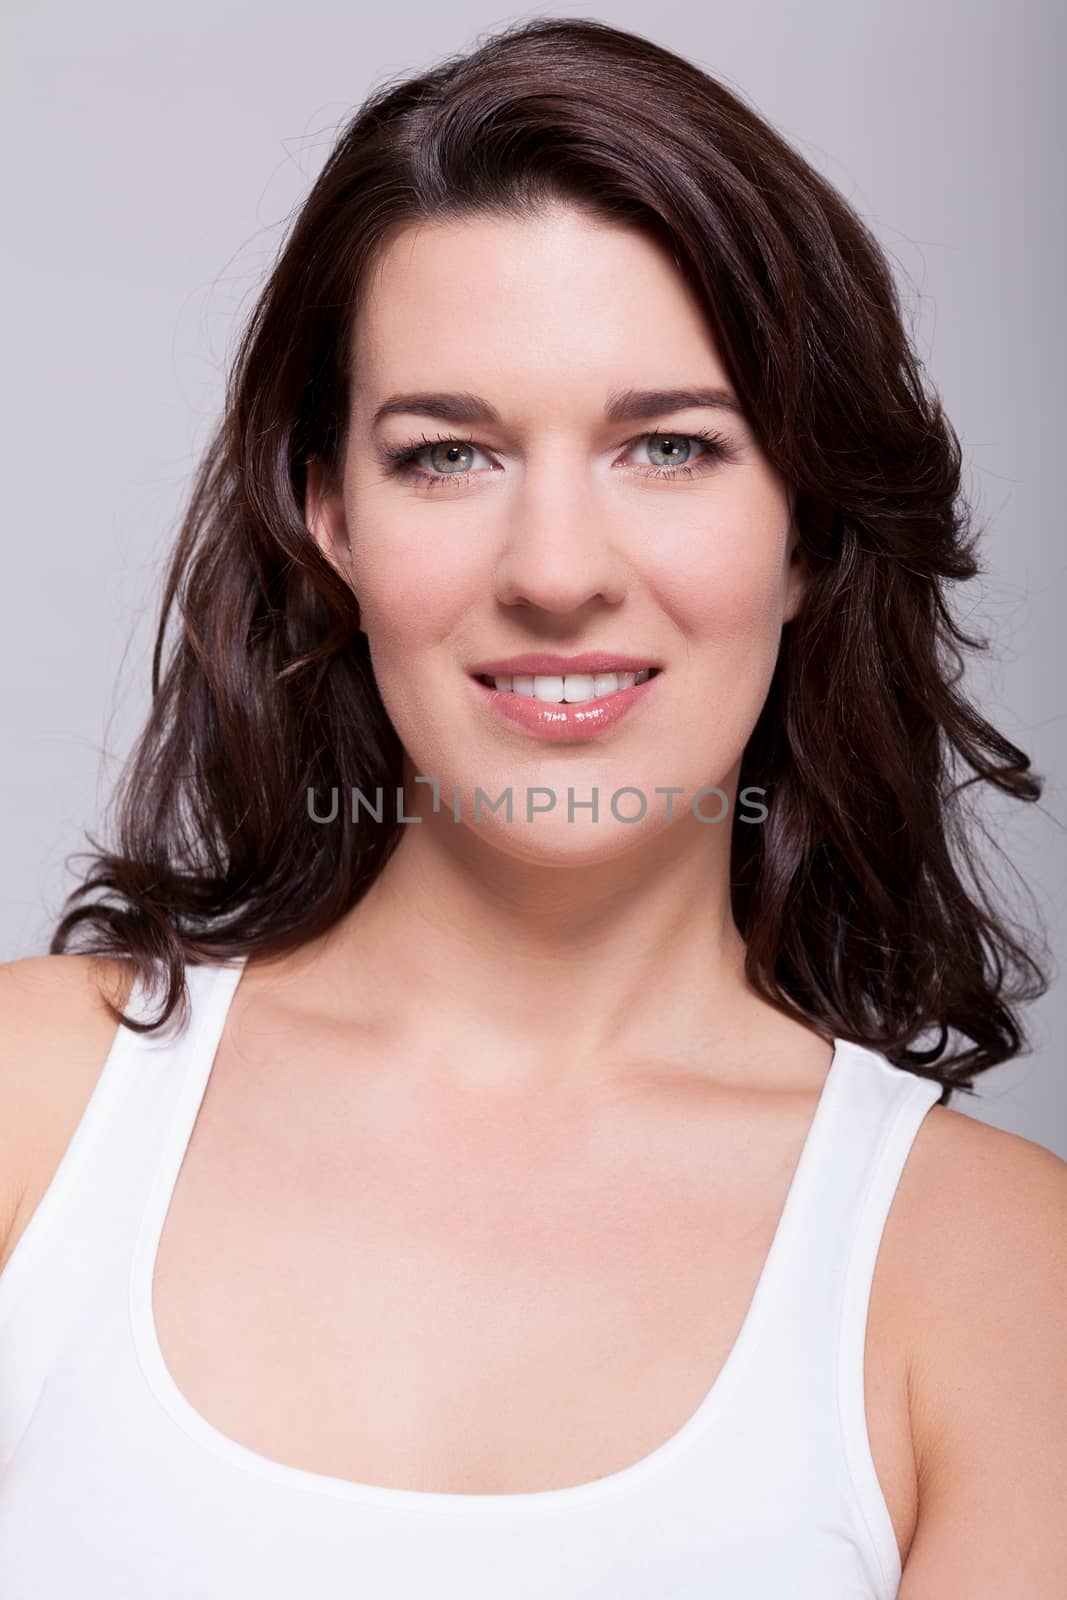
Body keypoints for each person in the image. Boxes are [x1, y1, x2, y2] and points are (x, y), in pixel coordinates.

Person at [0, 15, 1063, 1597]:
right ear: (327, 513)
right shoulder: (31, 1104)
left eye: (672, 446)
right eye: (449, 456)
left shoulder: (1002, 1280)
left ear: (808, 526)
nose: (556, 572)